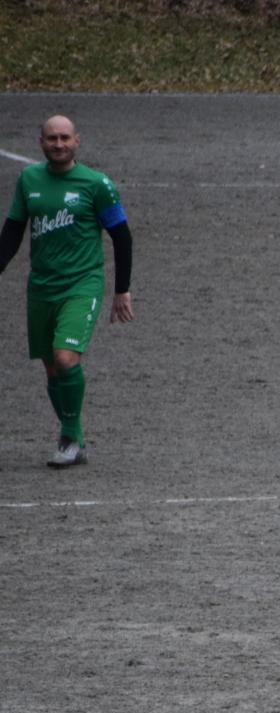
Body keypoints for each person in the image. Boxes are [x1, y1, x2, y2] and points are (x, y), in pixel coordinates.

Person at [0, 115, 134, 468]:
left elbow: (121, 236)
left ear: (77, 141)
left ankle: (68, 436)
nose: (58, 144)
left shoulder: (96, 184)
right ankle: (74, 437)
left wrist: (122, 290)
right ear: (40, 142)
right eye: (51, 138)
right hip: (41, 286)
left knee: (65, 358)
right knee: (52, 370)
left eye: (64, 138)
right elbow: (12, 232)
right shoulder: (29, 180)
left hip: (82, 283)